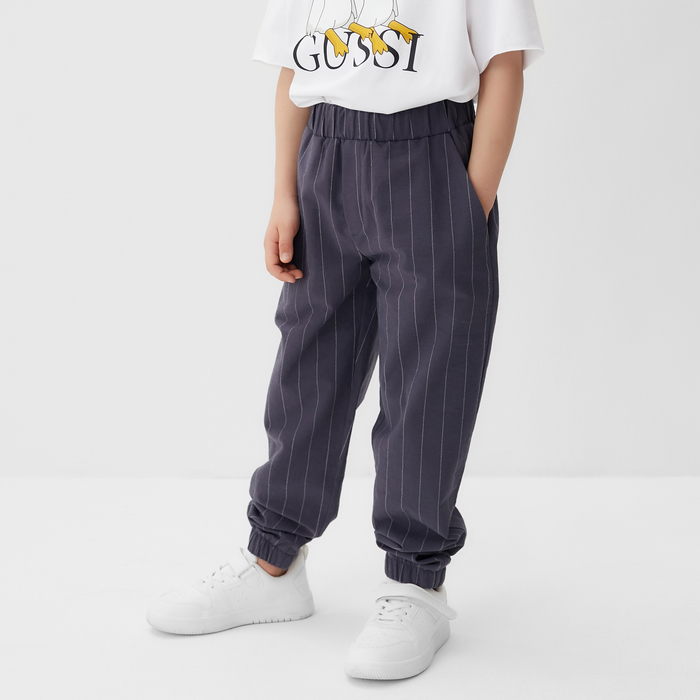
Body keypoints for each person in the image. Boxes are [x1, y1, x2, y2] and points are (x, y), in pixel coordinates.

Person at [146, 0, 545, 681]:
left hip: (431, 157)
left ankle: (416, 583)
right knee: (308, 361)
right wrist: (284, 193)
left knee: (429, 376)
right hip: (325, 157)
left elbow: (504, 65)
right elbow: (293, 71)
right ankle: (274, 561)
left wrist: (467, 205)